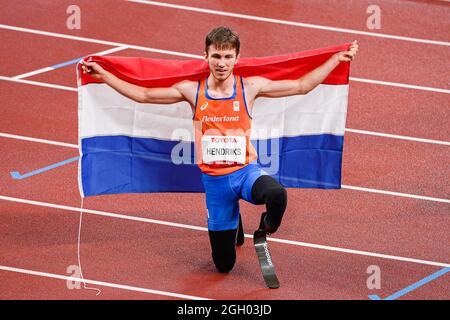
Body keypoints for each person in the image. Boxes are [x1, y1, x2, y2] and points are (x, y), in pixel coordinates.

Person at [81, 26, 358, 274]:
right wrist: (104, 75)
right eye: (216, 56)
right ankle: (232, 219)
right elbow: (143, 95)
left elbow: (301, 86)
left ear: (237, 58)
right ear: (206, 56)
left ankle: (266, 227)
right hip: (215, 182)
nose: (222, 63)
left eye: (227, 57)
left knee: (277, 194)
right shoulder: (192, 91)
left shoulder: (249, 87)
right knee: (224, 266)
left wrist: (335, 59)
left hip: (246, 172)